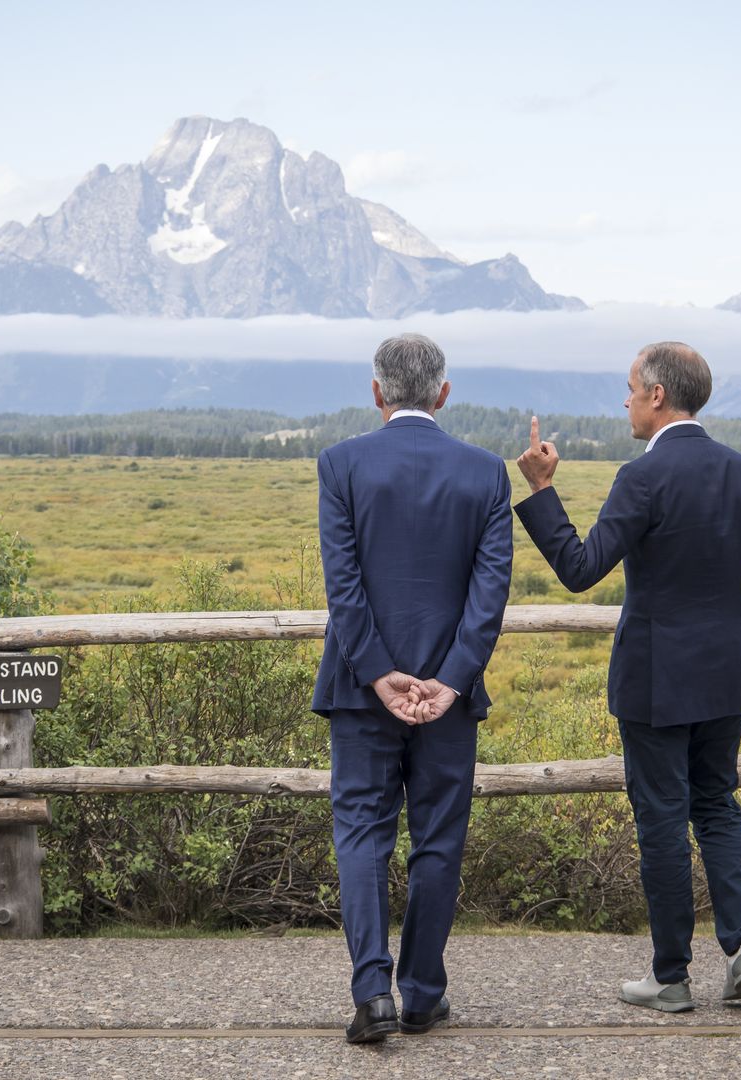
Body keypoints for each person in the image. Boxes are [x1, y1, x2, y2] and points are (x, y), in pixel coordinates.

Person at [512, 341, 741, 1013]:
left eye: (631, 389)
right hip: (726, 681)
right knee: (717, 805)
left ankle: (670, 977)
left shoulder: (642, 478)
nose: (626, 401)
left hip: (653, 681)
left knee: (664, 821)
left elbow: (580, 568)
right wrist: (737, 636)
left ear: (658, 396)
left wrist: (542, 491)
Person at [312, 333, 513, 1043]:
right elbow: (490, 596)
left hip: (359, 692)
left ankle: (373, 994)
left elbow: (345, 586)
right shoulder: (486, 474)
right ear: (444, 394)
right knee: (438, 841)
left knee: (362, 836)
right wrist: (451, 680)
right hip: (448, 701)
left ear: (376, 393)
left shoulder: (340, 464)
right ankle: (423, 993)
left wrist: (375, 672)